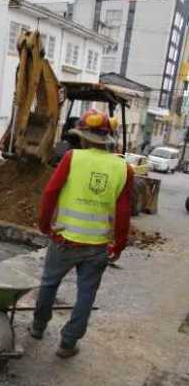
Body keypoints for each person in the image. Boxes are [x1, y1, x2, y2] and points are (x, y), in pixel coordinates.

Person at [29, 109, 133, 358]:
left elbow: (51, 193)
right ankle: (68, 343)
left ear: (83, 136)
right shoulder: (123, 168)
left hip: (64, 240)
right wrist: (118, 245)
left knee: (49, 284)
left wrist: (44, 225)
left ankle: (38, 327)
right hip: (97, 247)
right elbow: (123, 212)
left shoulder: (71, 158)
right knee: (86, 294)